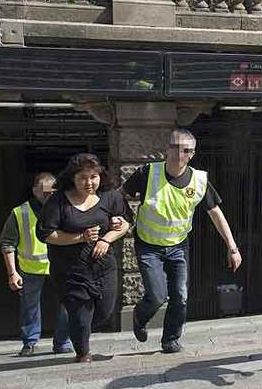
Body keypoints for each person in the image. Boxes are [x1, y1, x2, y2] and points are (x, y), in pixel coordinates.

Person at [123, 128, 242, 353]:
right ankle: (140, 316)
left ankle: (170, 340)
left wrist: (232, 247)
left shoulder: (199, 180)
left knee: (181, 296)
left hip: (178, 245)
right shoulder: (147, 173)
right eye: (175, 148)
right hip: (149, 245)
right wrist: (120, 219)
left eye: (186, 150)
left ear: (192, 154)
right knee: (158, 295)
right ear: (167, 150)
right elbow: (120, 196)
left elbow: (216, 213)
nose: (180, 154)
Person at [37, 153, 132, 362]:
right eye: (83, 178)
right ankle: (83, 352)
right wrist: (80, 237)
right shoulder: (58, 201)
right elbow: (46, 234)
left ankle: (79, 328)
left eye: (94, 177)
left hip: (103, 267)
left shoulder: (110, 196)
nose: (89, 182)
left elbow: (125, 223)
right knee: (80, 315)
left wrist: (107, 238)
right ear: (73, 178)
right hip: (70, 270)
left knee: (104, 312)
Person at [0, 172, 72, 357]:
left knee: (68, 304)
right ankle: (30, 342)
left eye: (51, 191)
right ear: (34, 191)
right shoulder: (20, 213)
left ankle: (63, 341)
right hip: (31, 269)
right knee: (29, 306)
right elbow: (7, 243)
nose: (47, 195)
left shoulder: (64, 208)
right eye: (43, 192)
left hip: (60, 266)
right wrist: (12, 273)